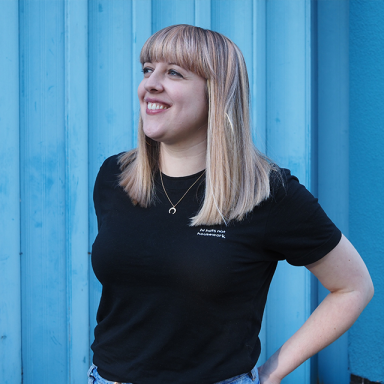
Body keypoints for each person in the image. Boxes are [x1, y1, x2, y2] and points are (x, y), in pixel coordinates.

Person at [88, 25, 373, 384]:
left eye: (174, 72)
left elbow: (353, 287)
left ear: (217, 93)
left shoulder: (266, 193)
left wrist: (271, 373)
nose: (151, 84)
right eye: (147, 70)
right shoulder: (115, 177)